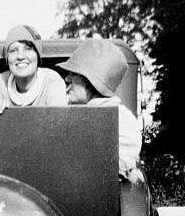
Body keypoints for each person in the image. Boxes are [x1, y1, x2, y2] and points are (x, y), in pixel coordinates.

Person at [57, 39, 143, 181]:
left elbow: (113, 172)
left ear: (92, 80)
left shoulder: (122, 120)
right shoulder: (79, 114)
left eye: (75, 73)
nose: (67, 78)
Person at [0, 25, 67, 114]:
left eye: (28, 49)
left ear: (38, 55)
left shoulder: (51, 82)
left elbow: (57, 125)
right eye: (13, 50)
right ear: (7, 58)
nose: (20, 56)